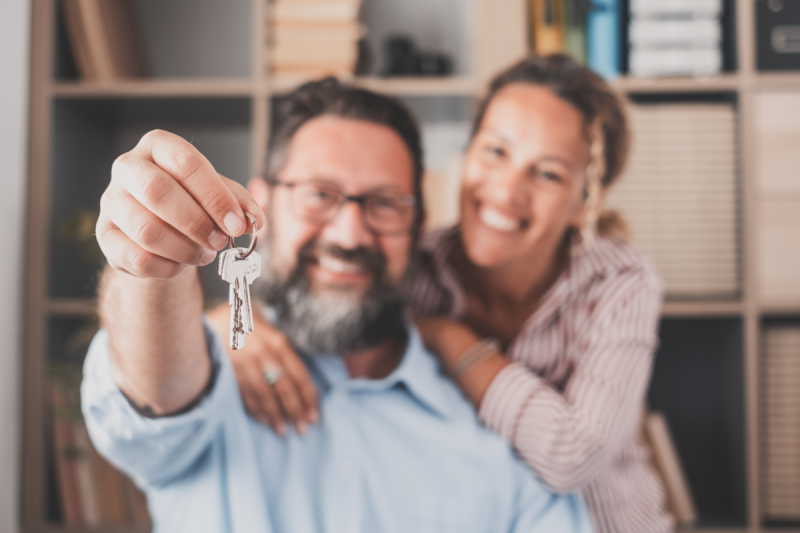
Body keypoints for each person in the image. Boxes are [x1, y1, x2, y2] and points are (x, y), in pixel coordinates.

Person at [83, 78, 594, 533]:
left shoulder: (497, 430)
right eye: (318, 194)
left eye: (386, 203)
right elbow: (158, 391)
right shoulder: (211, 374)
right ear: (260, 205)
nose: (350, 234)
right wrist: (150, 266)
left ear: (420, 225)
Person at [216, 55, 673, 533]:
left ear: (584, 203)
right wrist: (221, 323)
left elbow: (570, 458)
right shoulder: (415, 258)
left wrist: (448, 337)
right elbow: (309, 293)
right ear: (467, 152)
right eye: (496, 152)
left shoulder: (619, 283)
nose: (506, 190)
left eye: (549, 174)